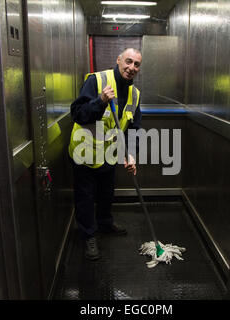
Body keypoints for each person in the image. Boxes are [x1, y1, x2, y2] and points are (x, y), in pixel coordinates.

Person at [68, 48, 142, 260]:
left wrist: (130, 155)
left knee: (106, 194)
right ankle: (89, 235)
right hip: (85, 153)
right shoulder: (97, 81)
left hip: (108, 154)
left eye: (137, 64)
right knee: (85, 197)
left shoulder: (135, 95)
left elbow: (133, 128)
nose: (132, 68)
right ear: (118, 60)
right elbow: (78, 114)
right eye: (128, 61)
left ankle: (105, 224)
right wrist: (100, 100)